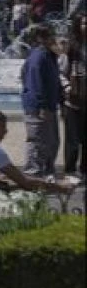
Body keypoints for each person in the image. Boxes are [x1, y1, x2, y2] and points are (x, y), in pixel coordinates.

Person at [21, 23, 61, 178]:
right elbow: (34, 83)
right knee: (37, 141)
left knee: (51, 142)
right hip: (38, 108)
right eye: (49, 36)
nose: (53, 38)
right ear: (39, 38)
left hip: (49, 106)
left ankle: (47, 172)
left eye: (52, 35)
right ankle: (33, 174)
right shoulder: (38, 57)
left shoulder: (49, 56)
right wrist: (42, 106)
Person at [61, 14, 86, 177]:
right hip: (74, 100)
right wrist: (68, 87)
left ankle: (84, 170)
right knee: (73, 139)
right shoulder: (71, 48)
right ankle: (70, 170)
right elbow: (61, 72)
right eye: (84, 23)